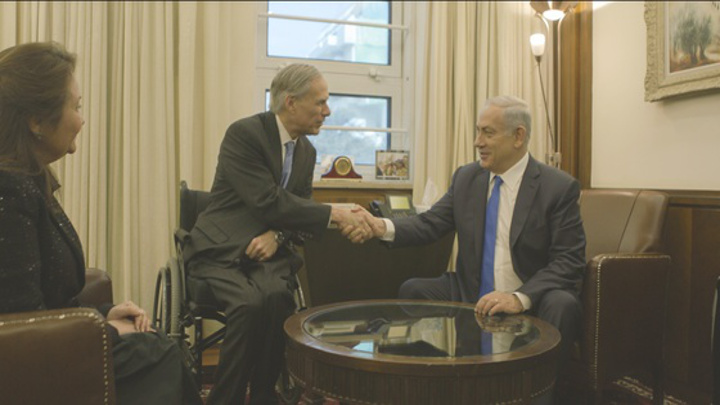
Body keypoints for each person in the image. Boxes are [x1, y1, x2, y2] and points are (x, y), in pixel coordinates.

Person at [0, 42, 201, 404]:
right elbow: (20, 324)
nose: (82, 119)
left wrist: (103, 313)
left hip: (57, 345)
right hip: (32, 366)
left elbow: (48, 295)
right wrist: (101, 329)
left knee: (156, 346)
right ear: (35, 121)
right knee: (161, 356)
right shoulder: (9, 190)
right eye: (76, 107)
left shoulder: (31, 178)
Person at [361, 95, 586, 402]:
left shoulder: (557, 187)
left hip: (532, 293)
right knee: (414, 290)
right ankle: (438, 388)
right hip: (472, 288)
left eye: (488, 133)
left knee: (563, 304)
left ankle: (539, 395)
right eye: (478, 131)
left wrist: (518, 298)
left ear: (518, 136)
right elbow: (430, 223)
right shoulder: (468, 177)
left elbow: (569, 260)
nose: (477, 141)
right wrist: (381, 226)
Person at [184, 63, 370, 405]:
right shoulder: (245, 134)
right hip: (221, 249)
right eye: (321, 102)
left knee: (275, 300)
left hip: (268, 254)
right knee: (248, 305)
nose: (327, 111)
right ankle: (227, 398)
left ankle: (265, 394)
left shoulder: (306, 152)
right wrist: (335, 214)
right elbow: (267, 200)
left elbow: (295, 210)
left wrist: (277, 237)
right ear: (291, 102)